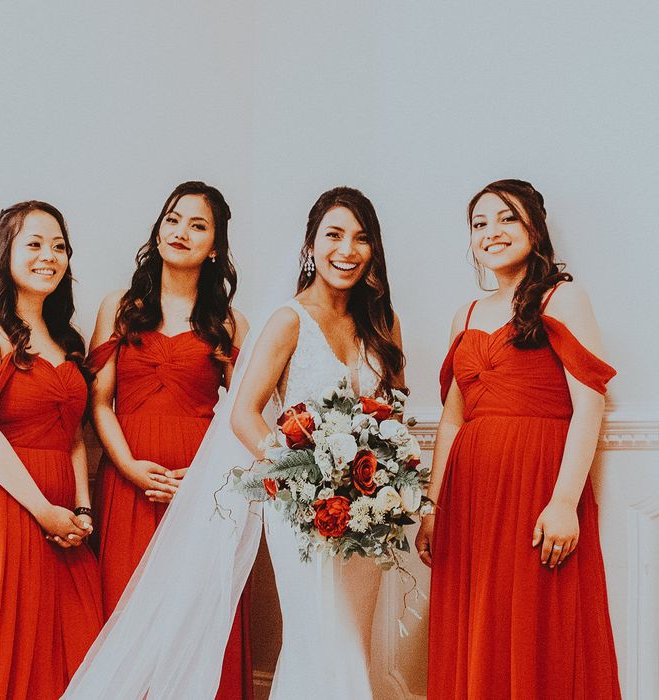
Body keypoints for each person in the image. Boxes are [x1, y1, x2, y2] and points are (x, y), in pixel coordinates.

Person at [62, 186, 405, 700]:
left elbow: (394, 411)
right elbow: (245, 414)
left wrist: (391, 478)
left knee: (352, 642)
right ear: (310, 246)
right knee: (317, 638)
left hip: (368, 513)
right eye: (333, 235)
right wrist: (305, 484)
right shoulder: (287, 320)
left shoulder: (382, 323)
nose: (347, 249)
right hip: (301, 507)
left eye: (360, 238)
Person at [416, 179, 621, 698]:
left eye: (506, 218)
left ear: (534, 225)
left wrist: (564, 502)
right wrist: (432, 507)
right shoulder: (463, 315)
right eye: (479, 224)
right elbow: (451, 421)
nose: (492, 232)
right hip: (470, 498)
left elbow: (589, 404)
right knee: (477, 623)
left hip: (536, 488)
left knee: (537, 625)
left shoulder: (564, 297)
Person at [86, 181, 252, 698]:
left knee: (196, 617)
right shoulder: (119, 306)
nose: (181, 232)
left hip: (200, 492)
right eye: (173, 219)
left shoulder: (229, 321)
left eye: (197, 225)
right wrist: (130, 467)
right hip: (127, 483)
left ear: (217, 246)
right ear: (158, 228)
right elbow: (98, 403)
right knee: (126, 614)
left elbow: (245, 417)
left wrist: (205, 483)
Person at [0, 201, 103, 699]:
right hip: (6, 506)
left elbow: (73, 435)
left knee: (73, 645)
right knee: (7, 644)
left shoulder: (66, 337)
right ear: (5, 252)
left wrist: (80, 509)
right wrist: (43, 511)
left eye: (59, 246)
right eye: (34, 244)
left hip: (65, 517)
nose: (49, 256)